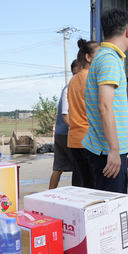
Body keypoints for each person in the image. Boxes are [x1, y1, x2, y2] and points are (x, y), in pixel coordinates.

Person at [82, 8, 128, 194]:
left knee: (116, 202)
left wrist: (125, 125)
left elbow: (114, 104)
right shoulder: (109, 59)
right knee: (111, 207)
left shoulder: (107, 58)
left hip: (109, 148)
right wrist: (113, 149)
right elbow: (105, 106)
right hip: (107, 151)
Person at [67, 39, 100, 189]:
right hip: (90, 141)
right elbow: (102, 108)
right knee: (97, 188)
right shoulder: (93, 79)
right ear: (88, 57)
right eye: (99, 56)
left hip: (74, 140)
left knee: (86, 185)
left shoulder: (72, 81)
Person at [49, 60, 82, 189]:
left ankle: (49, 194)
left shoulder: (66, 87)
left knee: (58, 168)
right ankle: (79, 194)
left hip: (59, 133)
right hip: (69, 133)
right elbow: (67, 114)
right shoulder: (74, 88)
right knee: (79, 168)